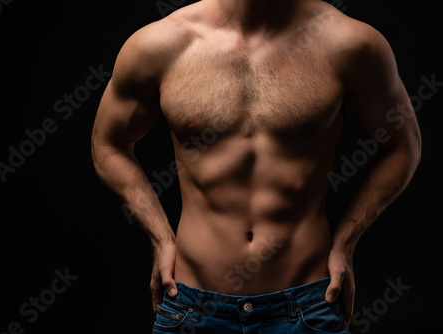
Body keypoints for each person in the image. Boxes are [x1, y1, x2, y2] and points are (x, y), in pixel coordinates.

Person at [91, 0, 421, 332]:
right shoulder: (160, 44)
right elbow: (108, 143)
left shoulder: (348, 43)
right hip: (191, 306)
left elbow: (403, 147)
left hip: (308, 305)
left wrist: (345, 242)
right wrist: (161, 238)